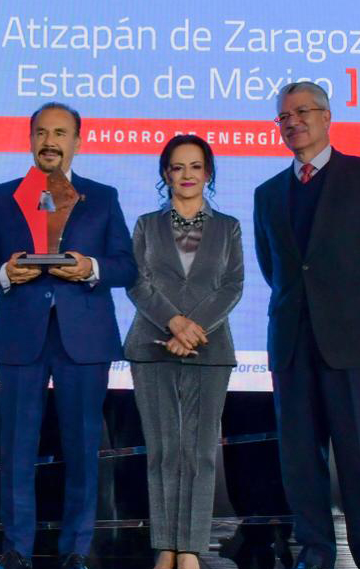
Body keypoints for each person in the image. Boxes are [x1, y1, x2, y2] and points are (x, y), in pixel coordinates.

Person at [0, 102, 137, 569]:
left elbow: (127, 265)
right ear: (29, 139)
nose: (50, 141)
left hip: (84, 338)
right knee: (17, 448)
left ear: (77, 142)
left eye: (60, 133)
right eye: (42, 132)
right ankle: (17, 550)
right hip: (21, 336)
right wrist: (6, 273)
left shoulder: (102, 197)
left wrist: (91, 269)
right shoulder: (4, 197)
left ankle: (76, 551)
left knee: (83, 447)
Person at [253, 81, 360, 569]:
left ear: (327, 117)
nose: (293, 121)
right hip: (292, 347)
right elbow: (272, 267)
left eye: (303, 111)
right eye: (284, 116)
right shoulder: (268, 193)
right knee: (301, 461)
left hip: (355, 345)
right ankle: (314, 555)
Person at [124, 135, 244, 569]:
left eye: (196, 167)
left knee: (198, 452)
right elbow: (137, 282)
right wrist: (174, 324)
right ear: (165, 174)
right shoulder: (145, 225)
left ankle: (191, 547)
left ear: (208, 173)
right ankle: (166, 546)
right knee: (163, 450)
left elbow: (232, 284)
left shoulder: (228, 226)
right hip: (152, 346)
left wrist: (192, 331)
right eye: (178, 167)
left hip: (210, 350)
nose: (187, 175)